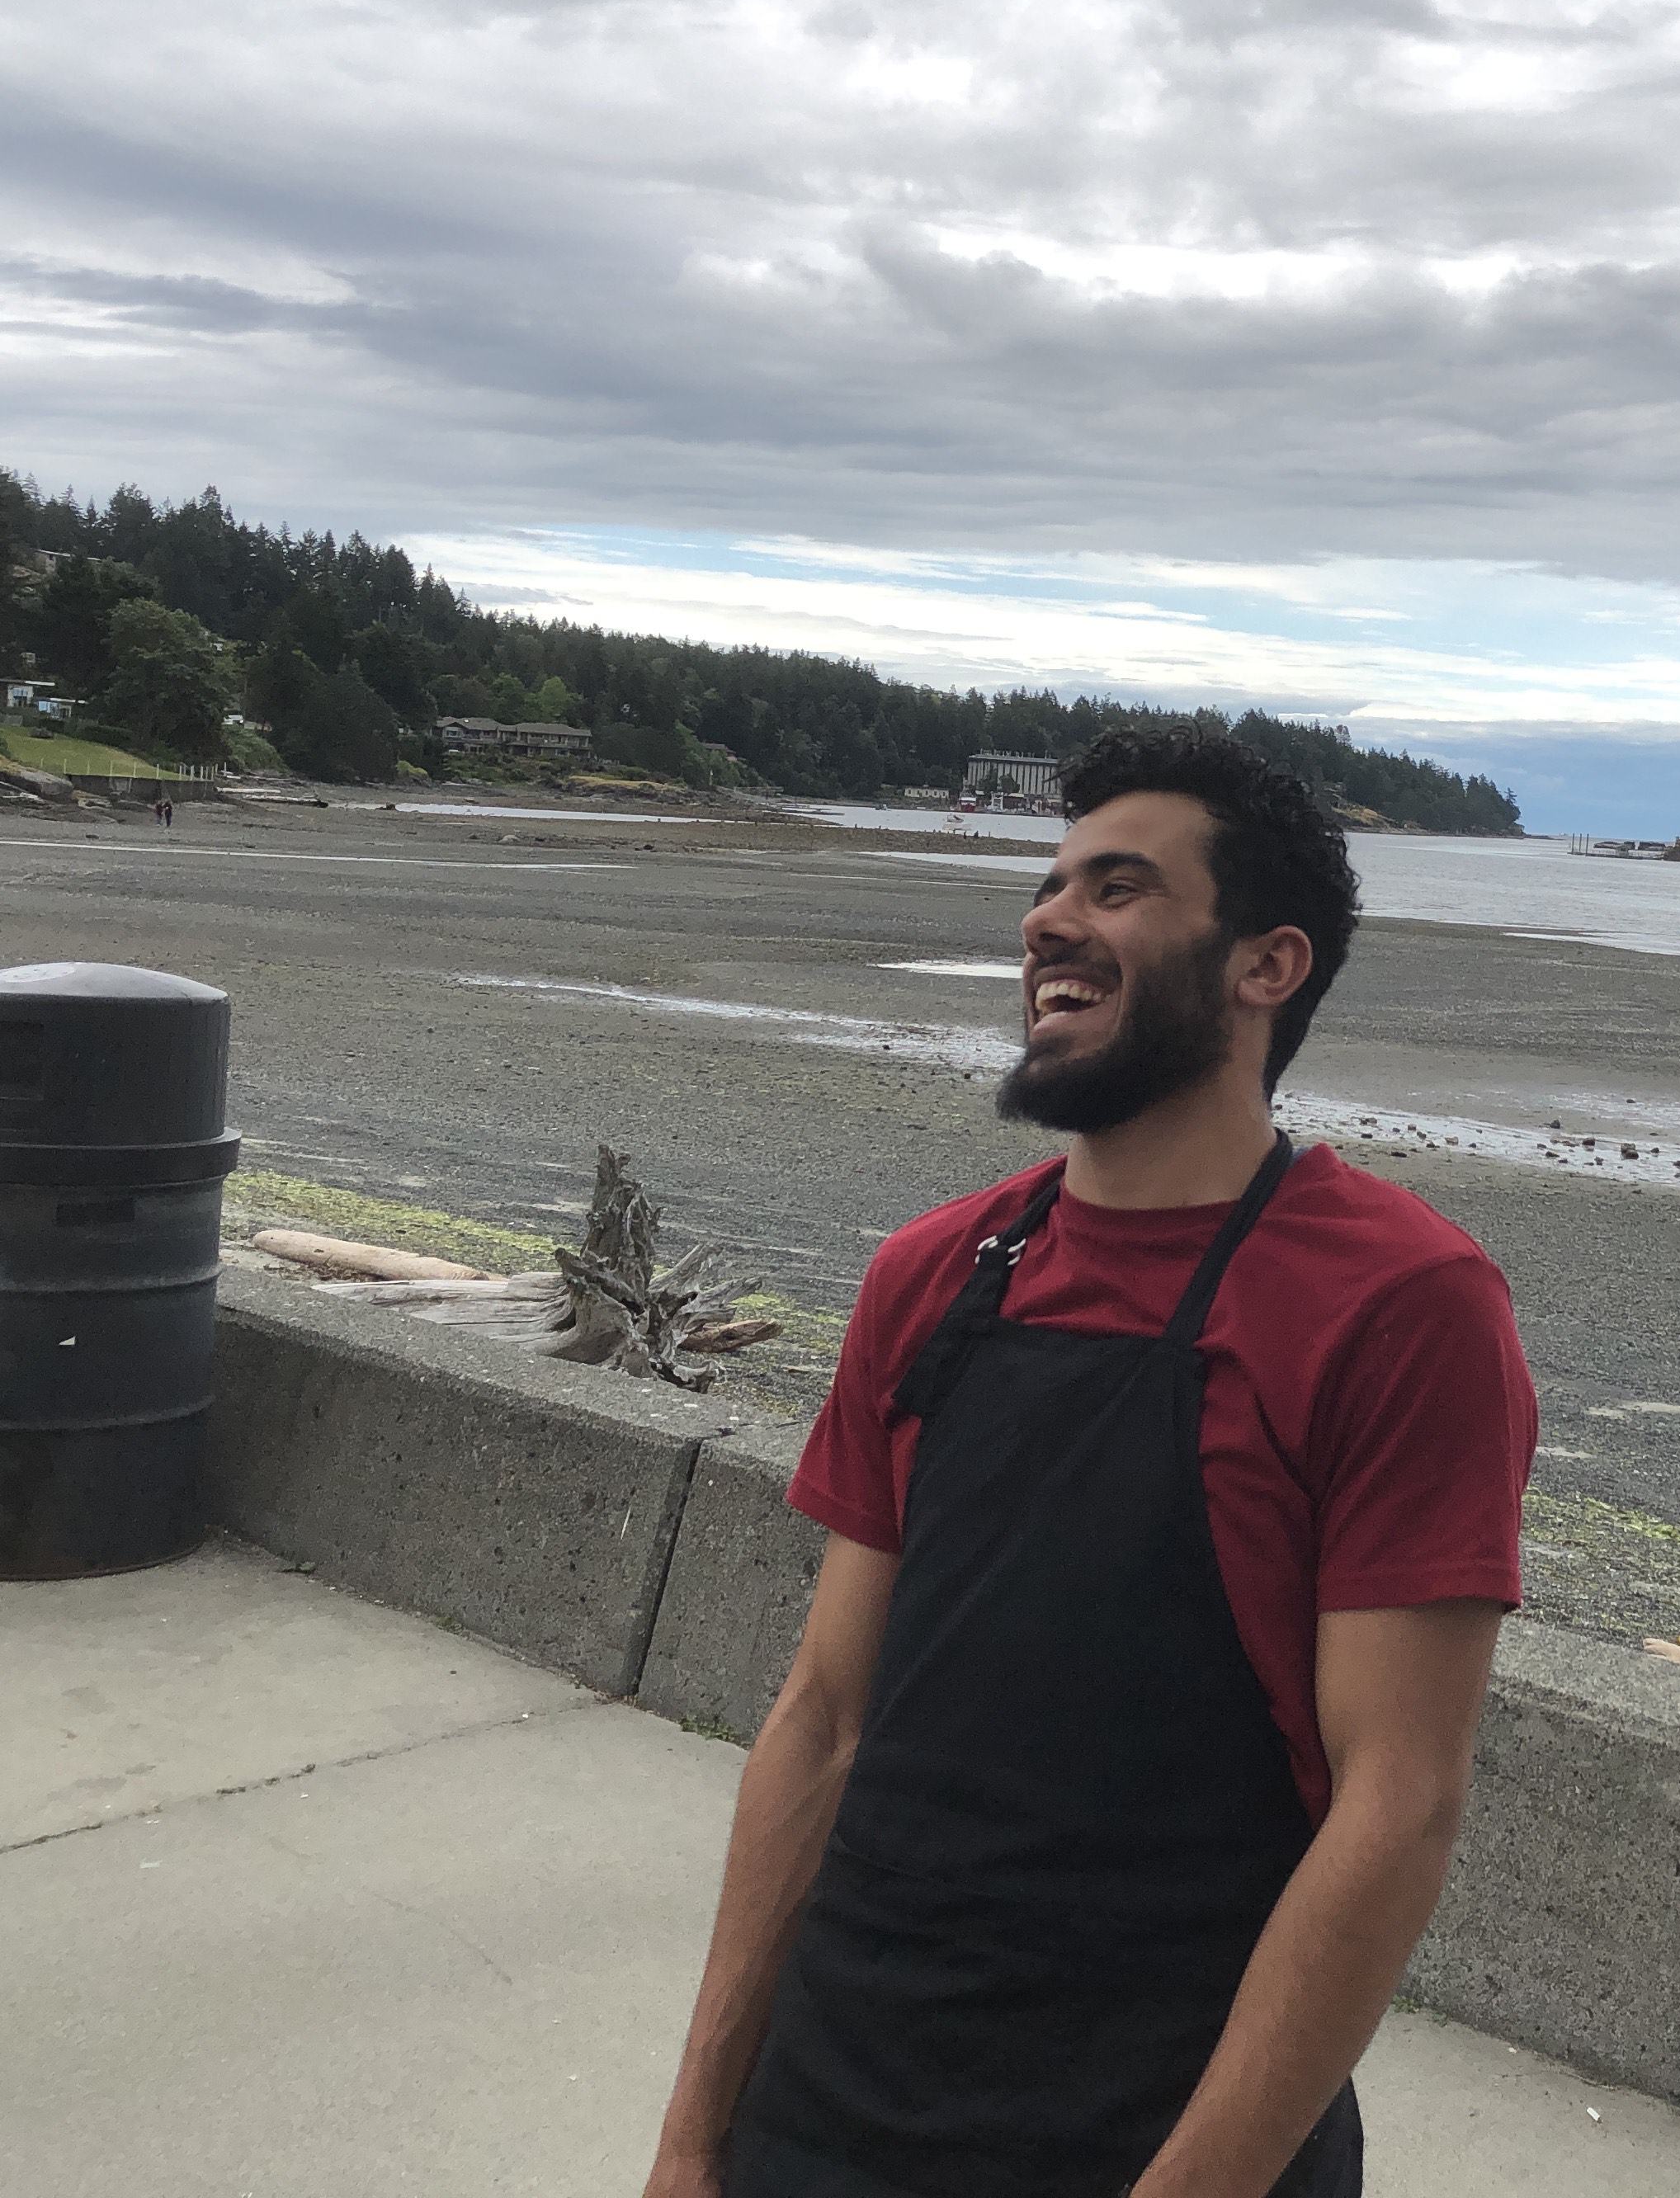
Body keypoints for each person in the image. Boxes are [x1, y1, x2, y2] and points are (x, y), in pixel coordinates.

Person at [644, 726, 1537, 2198]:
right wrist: (695, 2136)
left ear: (1268, 965)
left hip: (1162, 2127)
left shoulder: (1400, 1304)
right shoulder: (934, 1273)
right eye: (1052, 886)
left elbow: (1399, 1807)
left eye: (1119, 888)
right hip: (832, 2097)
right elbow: (821, 1720)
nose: (1047, 920)